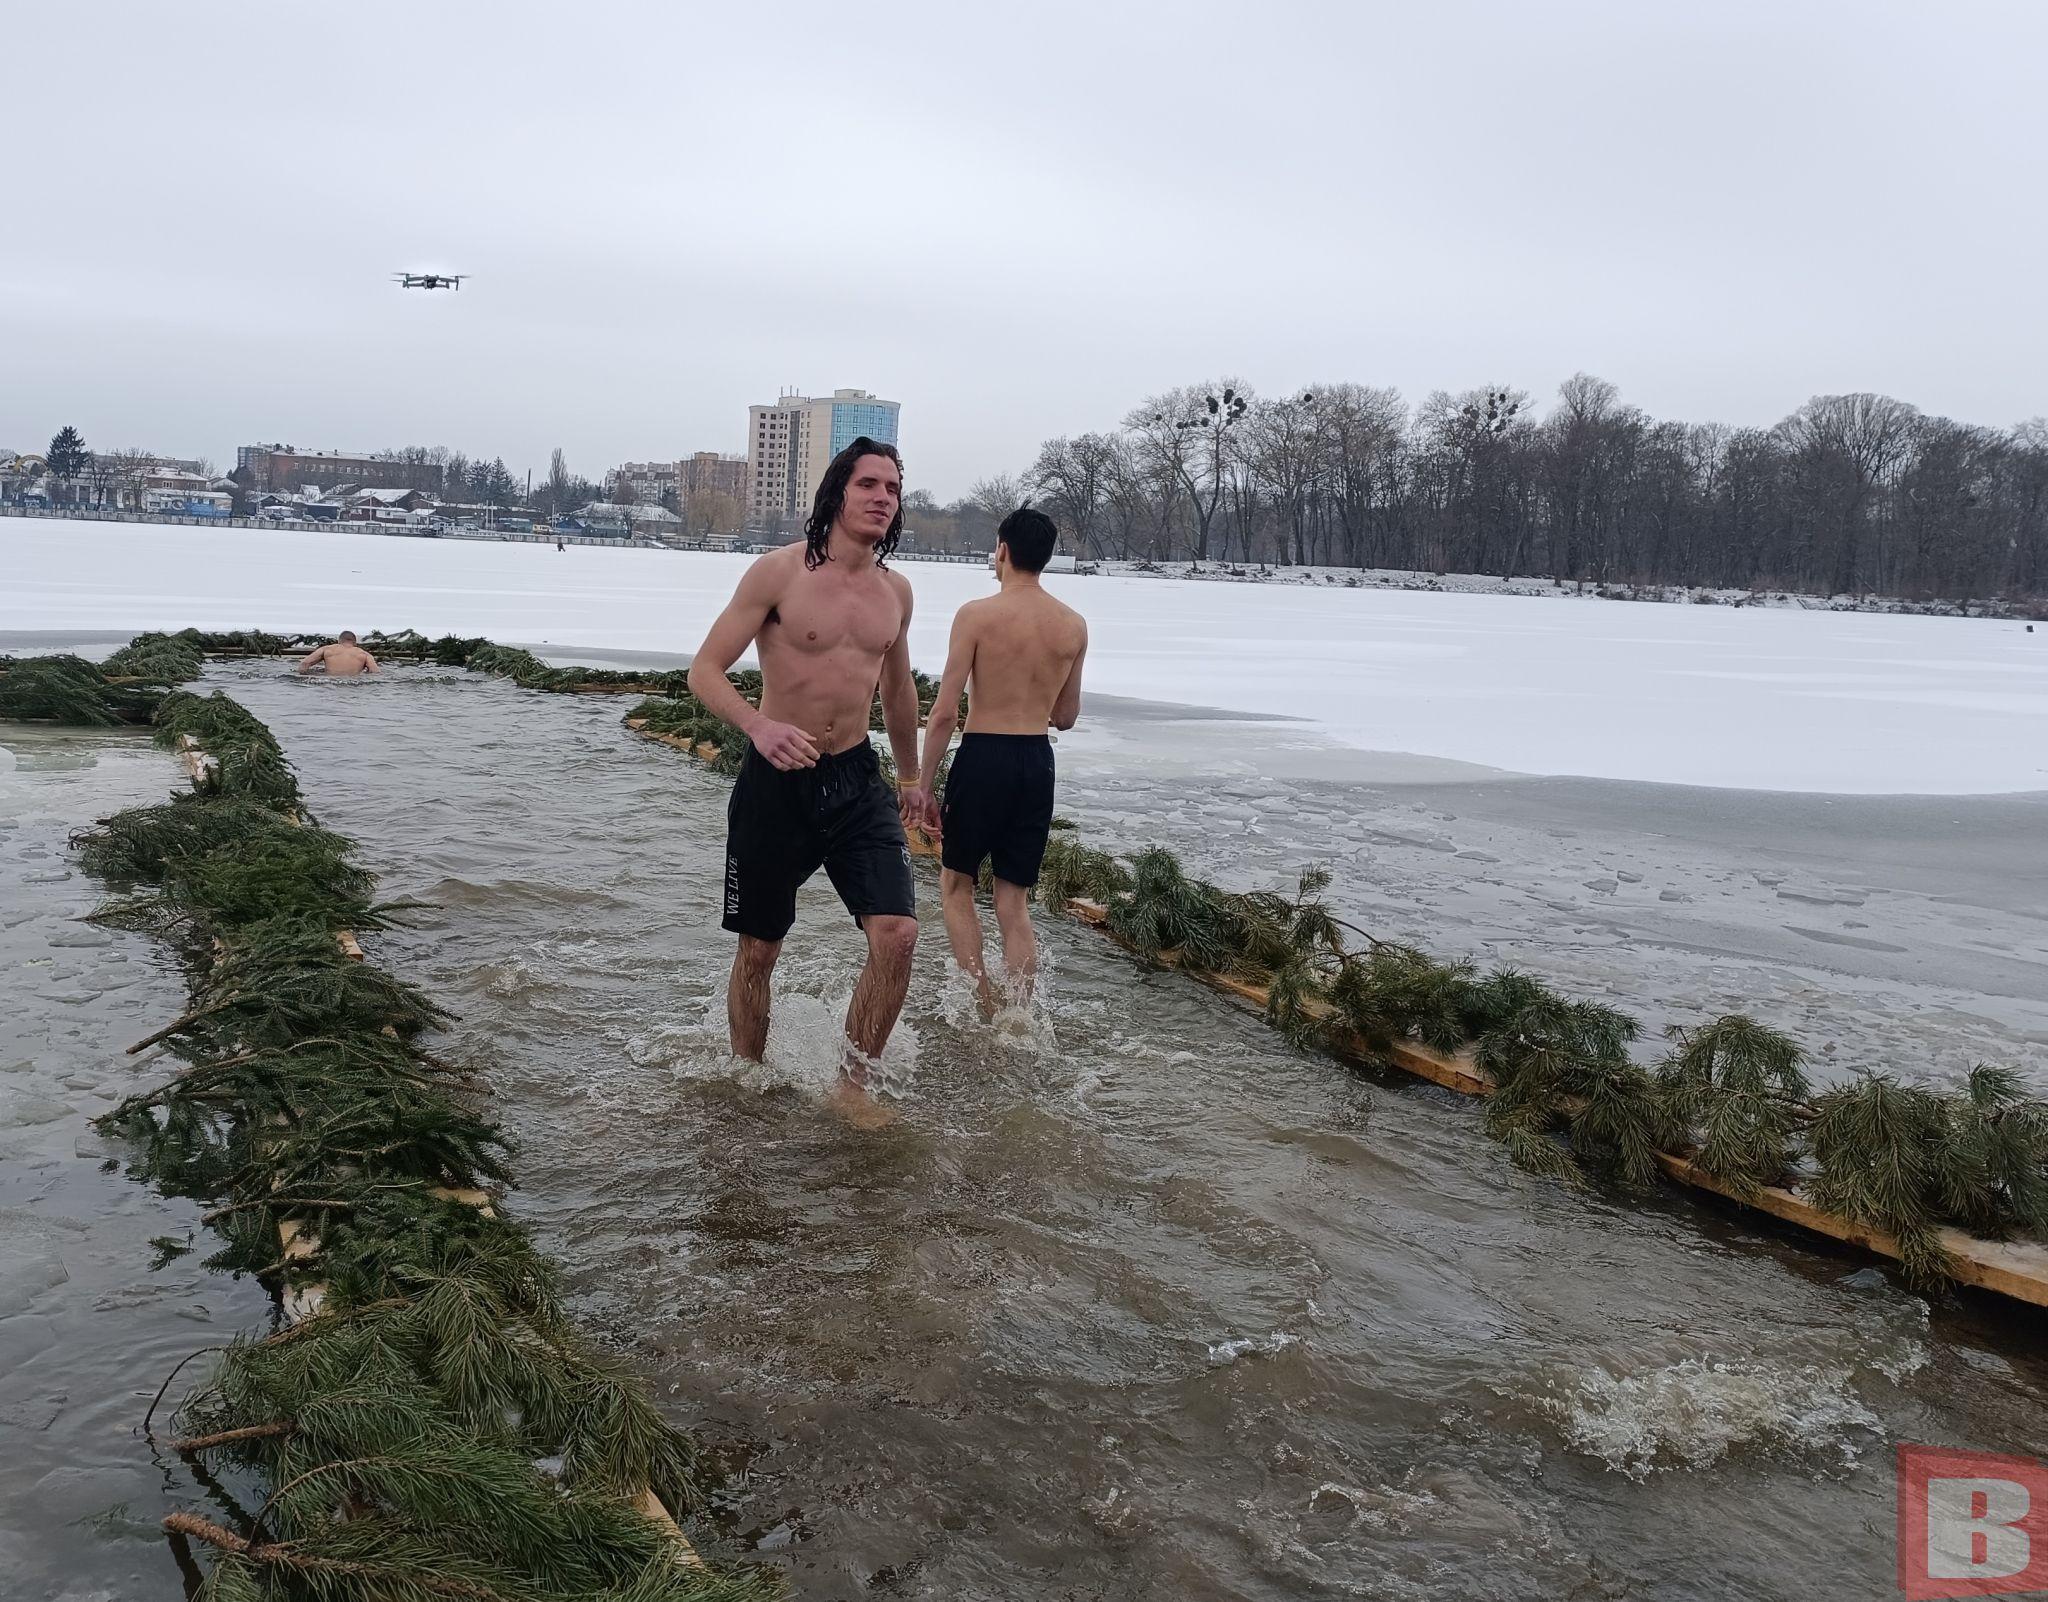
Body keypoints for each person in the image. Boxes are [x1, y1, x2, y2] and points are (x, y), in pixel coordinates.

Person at [687, 437, 926, 1117]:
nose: (883, 498)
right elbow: (704, 671)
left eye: (893, 489)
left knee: (898, 934)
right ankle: (747, 1078)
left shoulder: (896, 592)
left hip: (855, 777)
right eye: (869, 485)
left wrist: (910, 776)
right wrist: (759, 726)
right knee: (760, 949)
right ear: (837, 493)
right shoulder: (778, 575)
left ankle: (852, 1088)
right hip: (775, 779)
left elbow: (900, 689)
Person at [914, 505, 1086, 1016]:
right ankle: (1020, 1015)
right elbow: (1068, 715)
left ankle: (981, 998)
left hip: (984, 754)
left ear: (1003, 551)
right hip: (1036, 761)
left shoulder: (977, 615)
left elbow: (944, 712)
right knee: (1013, 900)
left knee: (956, 882)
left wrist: (923, 785)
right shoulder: (1072, 625)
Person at [295, 631, 379, 677]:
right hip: (353, 685)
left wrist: (304, 676)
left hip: (329, 683)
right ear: (355, 643)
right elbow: (375, 672)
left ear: (339, 641)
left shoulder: (327, 649)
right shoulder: (364, 654)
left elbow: (305, 663)